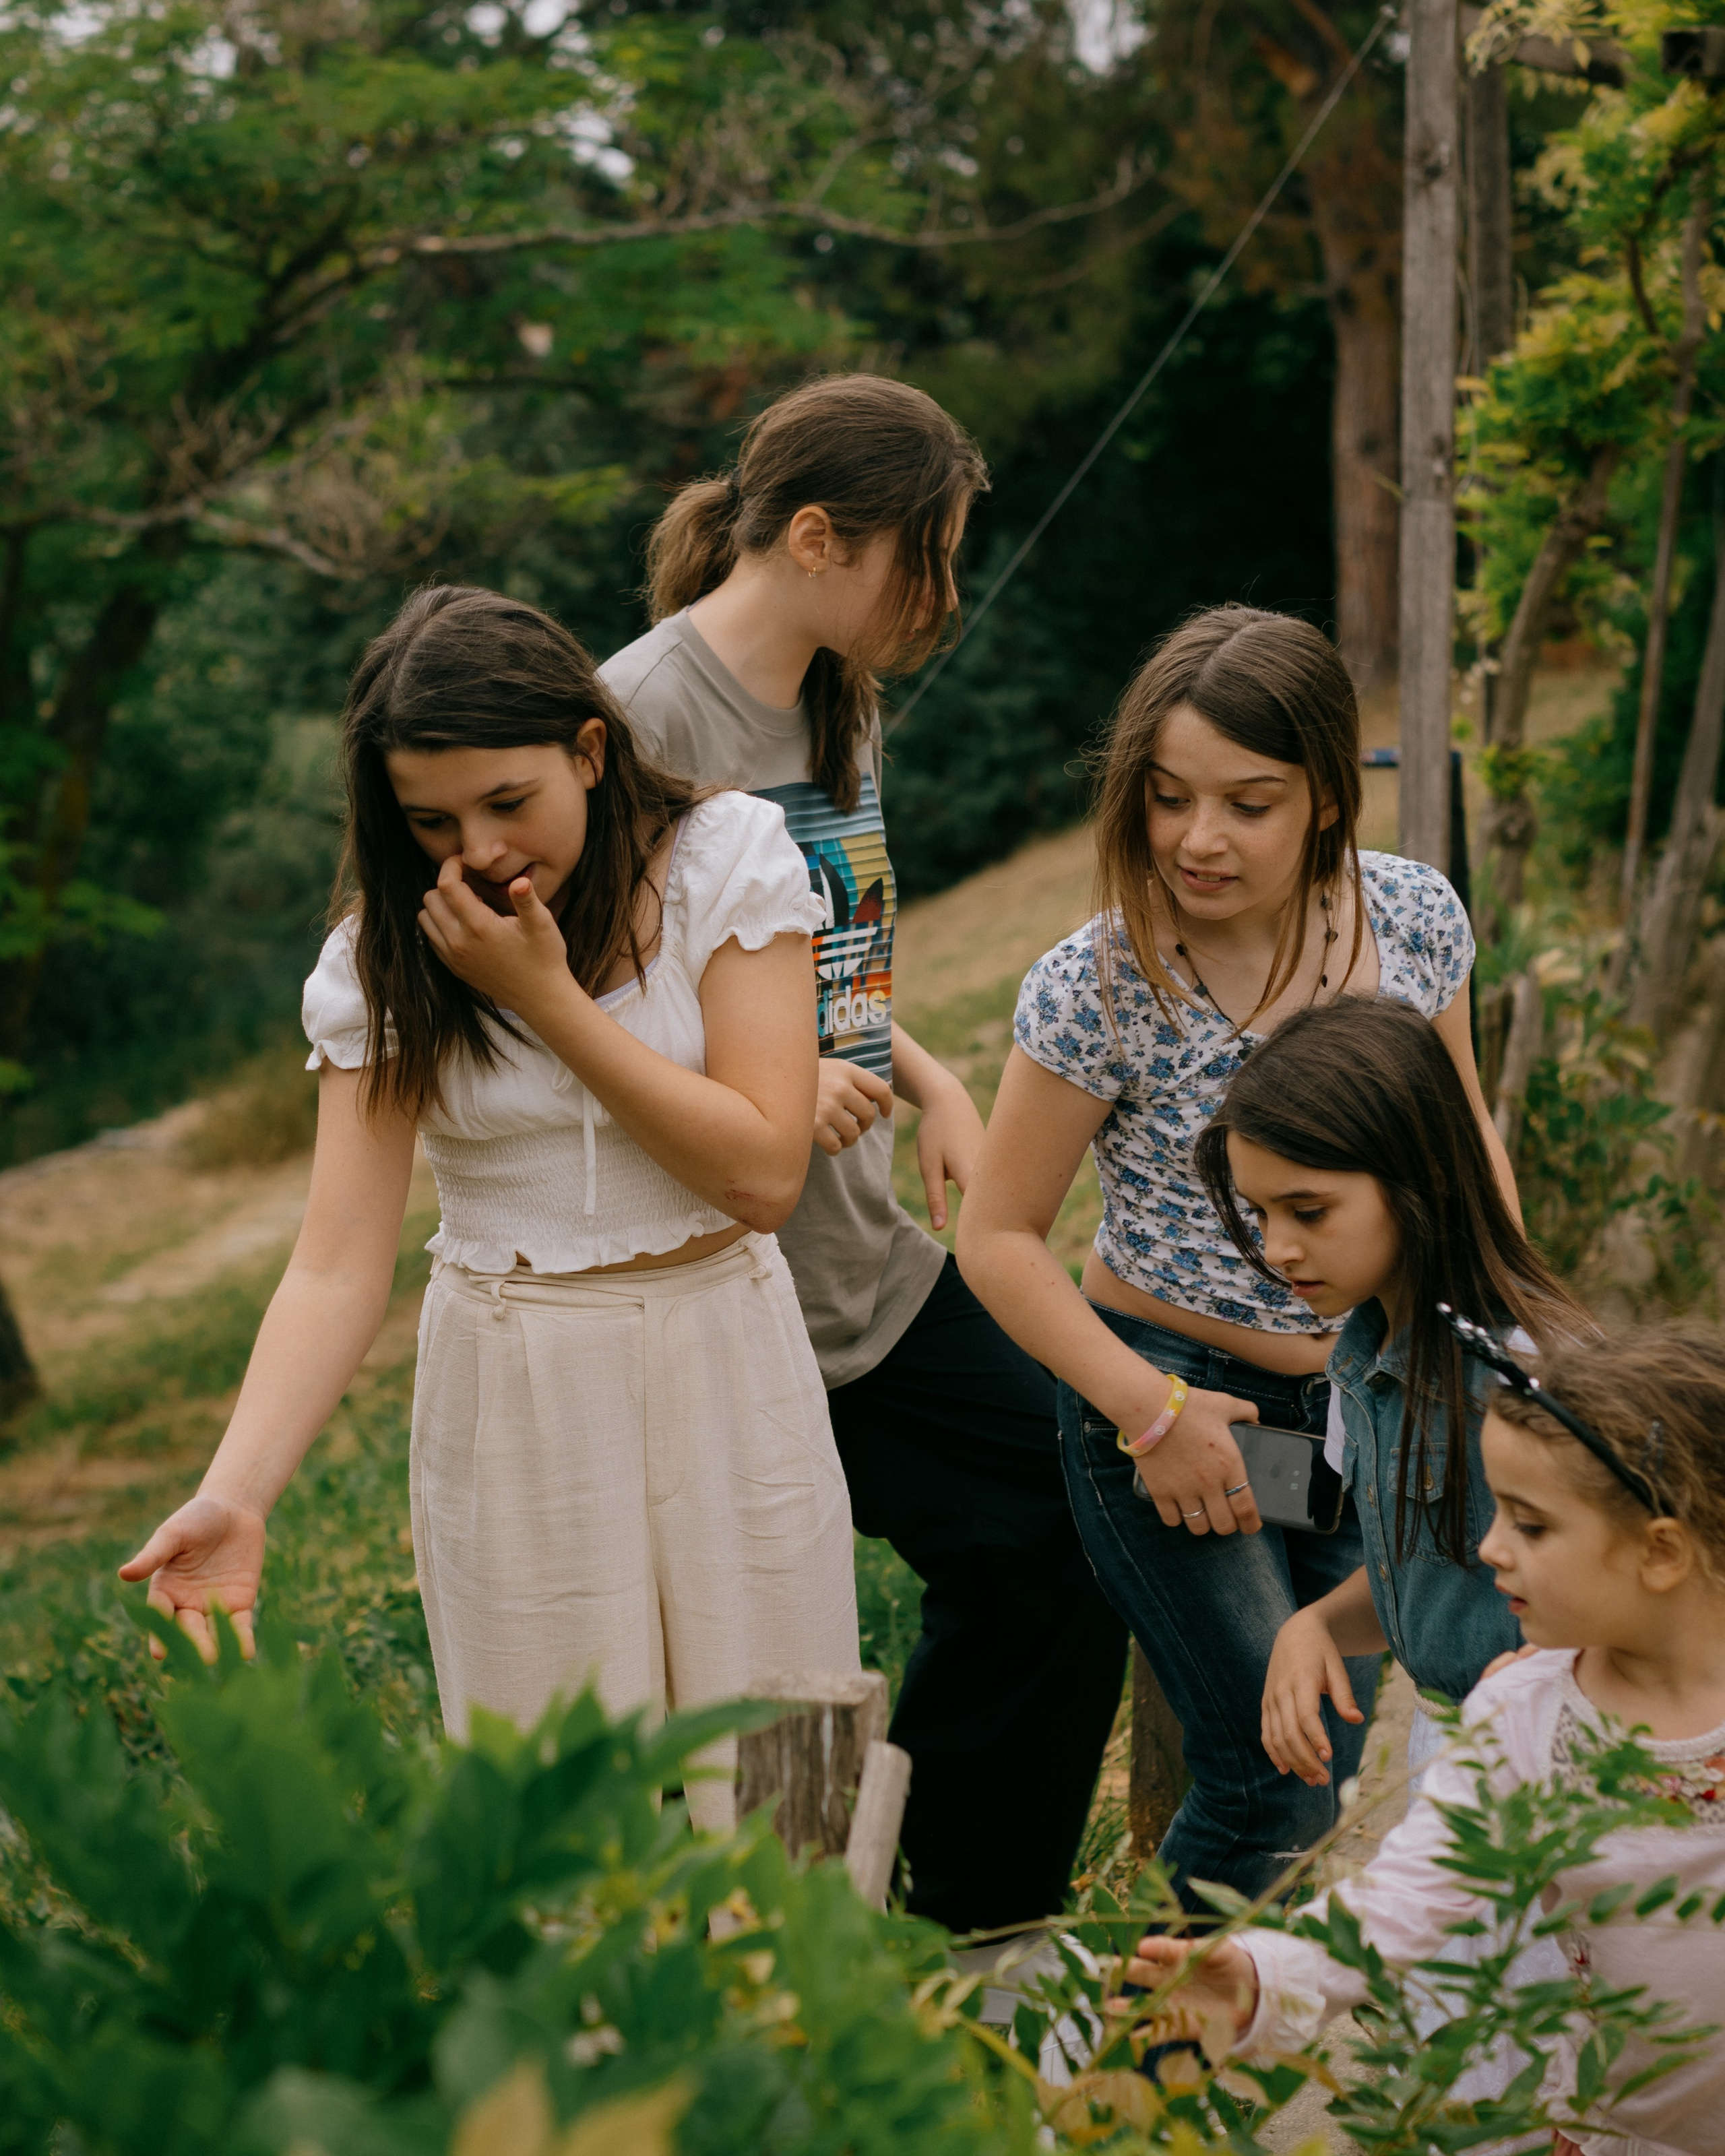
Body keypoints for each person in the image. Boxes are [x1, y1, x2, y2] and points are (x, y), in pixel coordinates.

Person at [120, 587, 859, 1825]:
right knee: (554, 1819)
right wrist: (238, 1492)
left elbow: (763, 1172)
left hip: (721, 1346)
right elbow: (337, 1260)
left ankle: (811, 2021)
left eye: (508, 803)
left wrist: (551, 1002)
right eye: (432, 821)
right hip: (515, 1383)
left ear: (590, 747)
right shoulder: (382, 961)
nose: (477, 849)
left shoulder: (729, 860)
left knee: (785, 1785)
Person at [600, 371, 1127, 1934]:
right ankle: (767, 1958)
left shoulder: (838, 691)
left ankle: (974, 1921)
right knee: (755, 1674)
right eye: (930, 555)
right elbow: (583, 1017)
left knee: (1063, 1519)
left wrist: (926, 1073)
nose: (944, 595)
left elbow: (817, 965)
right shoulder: (635, 721)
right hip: (717, 1290)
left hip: (861, 1268)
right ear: (820, 536)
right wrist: (766, 1092)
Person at [957, 604, 1517, 1908]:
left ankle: (1218, 2052)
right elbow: (990, 1238)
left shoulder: (1412, 921)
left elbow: (1460, 1137)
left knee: (1330, 1753)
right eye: (1165, 798)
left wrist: (1501, 1343)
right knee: (1278, 1774)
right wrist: (1148, 1413)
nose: (1196, 839)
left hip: (1372, 1389)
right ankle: (1102, 2079)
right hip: (1163, 1392)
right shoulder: (1098, 983)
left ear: (1325, 793)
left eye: (1245, 803)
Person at [1125, 1325, 1725, 2156]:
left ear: (1660, 1551)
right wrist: (1271, 1973)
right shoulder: (1525, 1718)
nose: (1487, 1548)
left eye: (1532, 1525)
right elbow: (1408, 1897)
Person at [1191, 996, 1589, 1786]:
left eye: (1308, 1210)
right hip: (1449, 1736)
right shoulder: (1359, 1362)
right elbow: (1423, 1579)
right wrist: (1312, 1625)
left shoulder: (1532, 1373)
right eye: (1260, 1213)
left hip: (1561, 1754)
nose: (1276, 1248)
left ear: (1421, 1178)